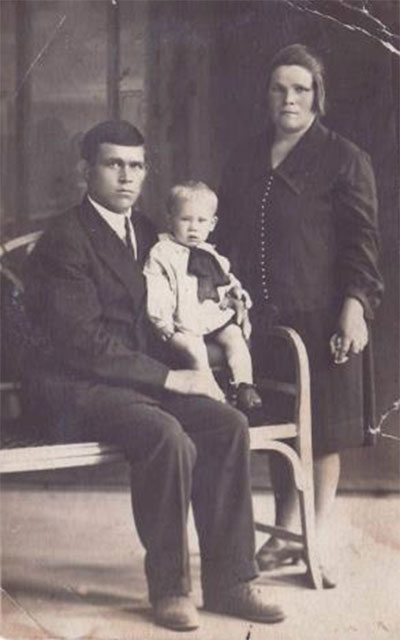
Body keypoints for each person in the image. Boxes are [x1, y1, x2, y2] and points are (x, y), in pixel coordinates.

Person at [23, 120, 285, 631]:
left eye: (136, 165)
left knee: (227, 424)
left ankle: (230, 580)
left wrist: (224, 316)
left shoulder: (148, 232)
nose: (127, 176)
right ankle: (170, 588)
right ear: (85, 170)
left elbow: (182, 301)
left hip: (134, 381)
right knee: (167, 435)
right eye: (113, 164)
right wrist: (172, 379)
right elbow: (82, 343)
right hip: (74, 386)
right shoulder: (65, 240)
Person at [216, 44, 383, 588]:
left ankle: (314, 538)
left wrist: (355, 308)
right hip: (262, 320)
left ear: (317, 96)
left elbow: (363, 244)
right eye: (279, 88)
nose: (289, 99)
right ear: (267, 95)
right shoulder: (245, 157)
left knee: (324, 431)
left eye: (300, 89)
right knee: (277, 424)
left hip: (323, 318)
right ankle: (286, 533)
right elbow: (223, 235)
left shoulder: (344, 158)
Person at [143, 180, 262, 412]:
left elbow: (226, 279)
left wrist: (236, 290)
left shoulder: (211, 253)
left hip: (211, 317)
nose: (193, 228)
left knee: (234, 336)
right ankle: (209, 388)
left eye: (201, 221)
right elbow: (156, 289)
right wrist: (163, 323)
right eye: (185, 220)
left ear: (212, 224)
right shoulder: (162, 253)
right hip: (183, 322)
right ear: (170, 219)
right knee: (195, 349)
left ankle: (244, 385)